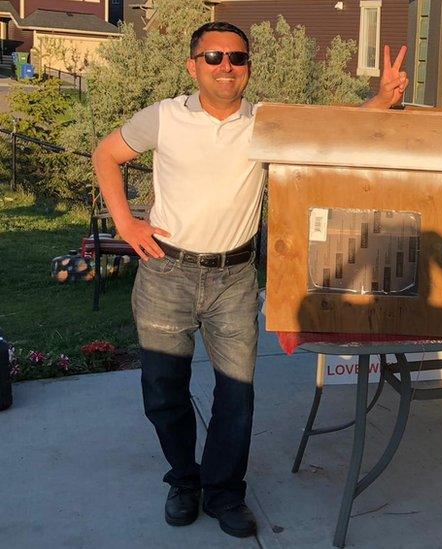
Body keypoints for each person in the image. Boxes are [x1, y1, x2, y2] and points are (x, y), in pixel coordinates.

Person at [91, 22, 408, 538]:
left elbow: (330, 128)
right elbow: (107, 154)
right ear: (193, 65)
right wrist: (126, 222)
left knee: (235, 395)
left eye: (236, 58)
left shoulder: (264, 122)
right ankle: (184, 481)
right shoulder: (165, 118)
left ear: (248, 68)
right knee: (162, 389)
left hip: (234, 277)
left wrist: (381, 101)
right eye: (213, 57)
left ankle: (223, 492)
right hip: (164, 273)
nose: (225, 66)